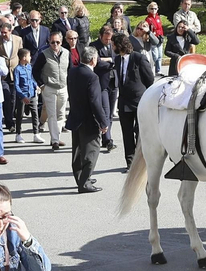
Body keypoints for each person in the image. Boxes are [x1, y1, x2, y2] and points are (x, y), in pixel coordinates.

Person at [66, 46, 107, 193]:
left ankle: (81, 177)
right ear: (93, 60)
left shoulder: (73, 71)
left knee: (77, 152)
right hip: (89, 120)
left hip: (75, 116)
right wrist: (103, 122)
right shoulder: (92, 77)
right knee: (92, 151)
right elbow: (95, 102)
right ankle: (84, 183)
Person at [114, 32, 156, 164]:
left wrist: (144, 95)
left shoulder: (139, 58)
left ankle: (141, 161)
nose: (111, 46)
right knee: (126, 134)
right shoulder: (117, 60)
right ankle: (130, 162)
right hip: (124, 102)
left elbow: (149, 78)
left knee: (140, 133)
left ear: (119, 45)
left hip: (139, 101)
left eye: (113, 44)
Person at [36, 30, 69, 151]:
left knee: (61, 114)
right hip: (49, 87)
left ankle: (56, 136)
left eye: (57, 42)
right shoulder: (43, 54)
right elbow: (35, 70)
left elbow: (70, 70)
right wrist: (42, 84)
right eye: (52, 42)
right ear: (49, 42)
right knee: (52, 114)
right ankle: (55, 140)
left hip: (63, 87)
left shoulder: (66, 53)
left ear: (61, 42)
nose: (55, 45)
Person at [10, 48, 38, 142]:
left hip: (32, 93)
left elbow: (31, 78)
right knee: (20, 115)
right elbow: (16, 85)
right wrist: (22, 96)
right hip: (23, 95)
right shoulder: (17, 69)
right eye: (29, 56)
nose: (31, 57)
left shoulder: (29, 67)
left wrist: (36, 86)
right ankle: (18, 134)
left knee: (35, 113)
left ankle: (36, 133)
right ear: (24, 57)